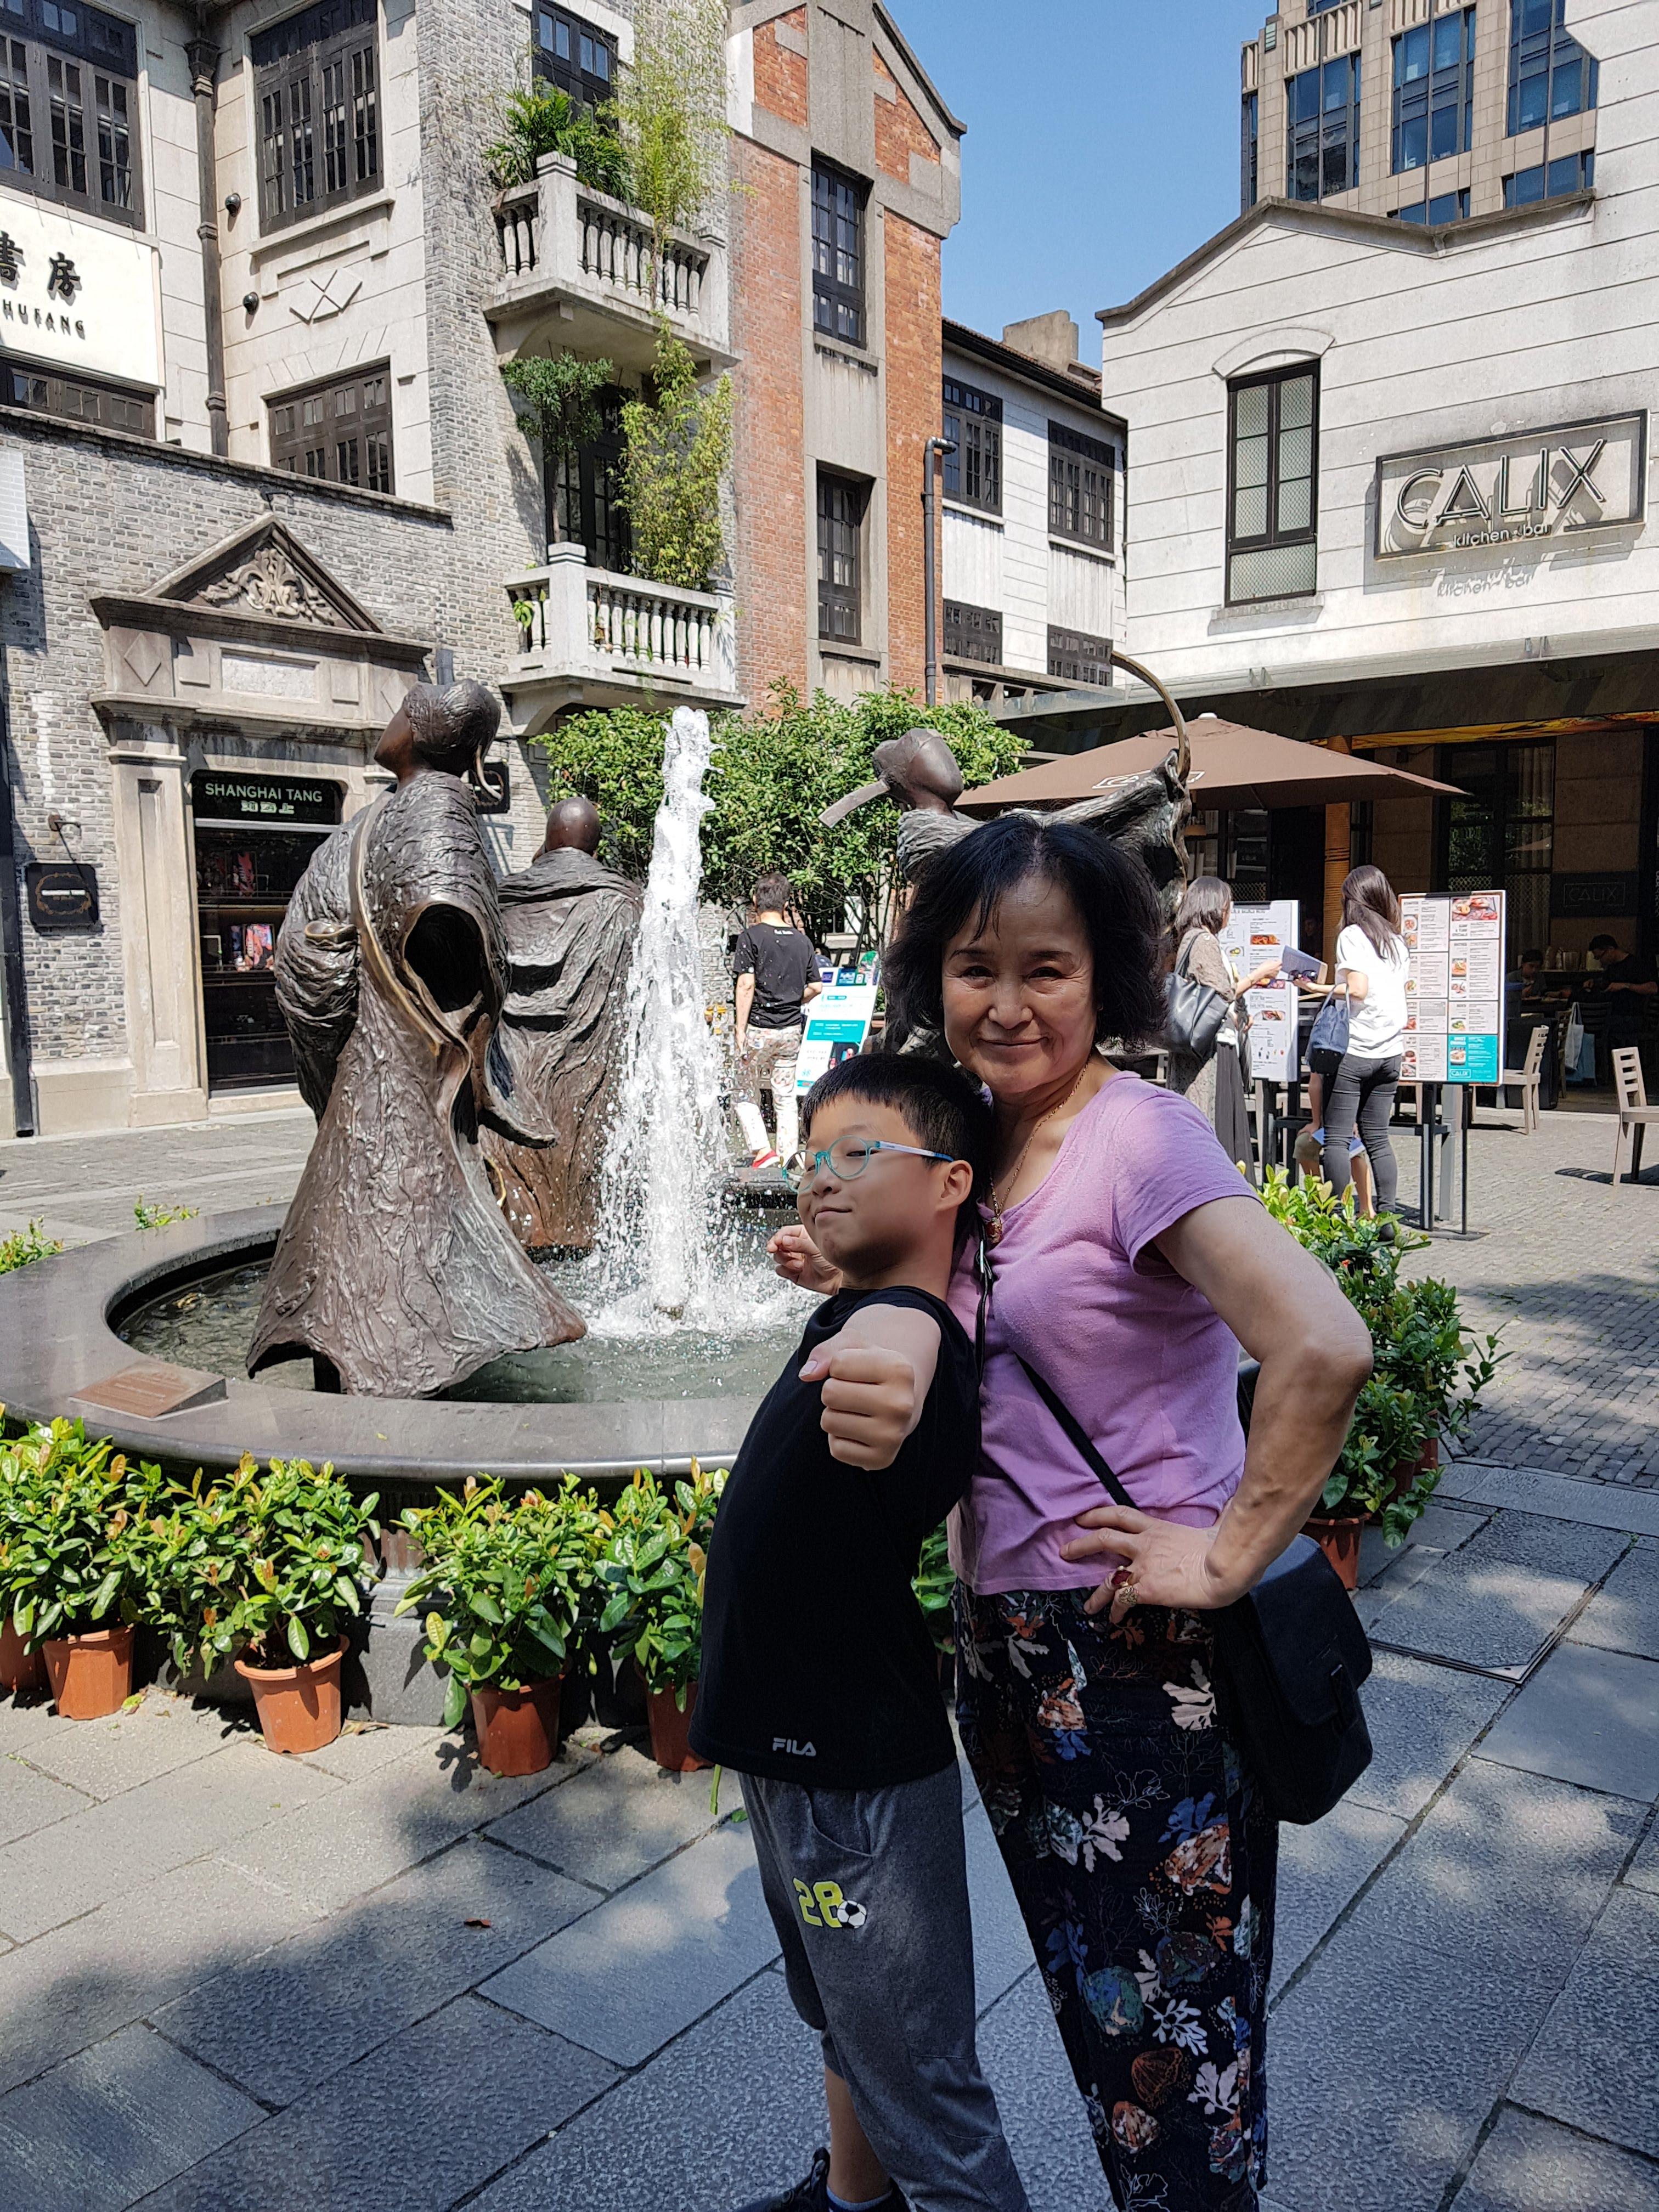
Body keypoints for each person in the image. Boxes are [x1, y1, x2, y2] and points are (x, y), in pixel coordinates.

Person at [771, 815, 1371, 2211]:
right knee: (1103, 2012)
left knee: (1168, 2058)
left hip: (1139, 1670)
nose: (1008, 1003)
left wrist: (1223, 1556)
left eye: (1047, 968)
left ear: (1106, 977)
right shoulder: (984, 1142)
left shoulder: (1136, 1138)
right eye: (976, 967)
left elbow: (1322, 1344)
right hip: (1011, 1658)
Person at [692, 1052, 1032, 2212]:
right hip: (796, 1752)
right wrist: (835, 1275)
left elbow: (906, 1335)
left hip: (848, 1771)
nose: (819, 1176)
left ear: (949, 1183)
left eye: (857, 1153)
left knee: (920, 2083)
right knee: (846, 2011)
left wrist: (877, 1345)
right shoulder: (873, 1297)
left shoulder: (905, 1327)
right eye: (810, 1157)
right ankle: (853, 2200)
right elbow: (890, 1298)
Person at [250, 681, 584, 1396]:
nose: (392, 720)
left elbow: (450, 917)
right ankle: (374, 1367)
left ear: (427, 733)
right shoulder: (390, 812)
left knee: (391, 1227)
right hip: (380, 1063)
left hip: (399, 1066)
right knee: (373, 1228)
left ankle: (398, 1379)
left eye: (405, 710)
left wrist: (441, 1027)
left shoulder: (433, 806)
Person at [479, 795, 642, 1254]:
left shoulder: (504, 898)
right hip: (586, 1077)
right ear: (596, 848)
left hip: (513, 1079)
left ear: (547, 841)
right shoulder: (623, 902)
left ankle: (525, 1226)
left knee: (519, 1201)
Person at [1166, 874, 1281, 1175]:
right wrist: (1258, 975)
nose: (1230, 911)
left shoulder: (1191, 939)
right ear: (1215, 907)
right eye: (1228, 905)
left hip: (1208, 1045)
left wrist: (1236, 1015)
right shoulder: (1203, 941)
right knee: (1217, 1127)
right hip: (1212, 1051)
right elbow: (1223, 991)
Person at [1322, 865, 1409, 1211]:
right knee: (1378, 1139)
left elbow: (1357, 989)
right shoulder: (1397, 941)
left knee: (1337, 1140)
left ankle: (1336, 1219)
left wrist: (1315, 987)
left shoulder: (1352, 936)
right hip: (1390, 1053)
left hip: (1356, 1050)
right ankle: (1387, 1219)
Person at [732, 873, 822, 1168]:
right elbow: (816, 987)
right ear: (786, 904)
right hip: (790, 1031)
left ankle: (762, 1149)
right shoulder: (802, 941)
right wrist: (793, 1000)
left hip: (759, 1028)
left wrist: (740, 1030)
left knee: (742, 1087)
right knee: (785, 1095)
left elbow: (746, 985)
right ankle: (787, 1158)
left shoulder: (751, 938)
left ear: (755, 901)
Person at [1588, 931, 1657, 1058]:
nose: (1601, 962)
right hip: (1615, 1014)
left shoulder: (1636, 965)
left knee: (1595, 1025)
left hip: (1633, 1016)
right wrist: (1595, 983)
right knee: (1590, 1023)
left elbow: (1653, 988)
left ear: (1610, 950)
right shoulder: (1612, 968)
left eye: (1600, 957)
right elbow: (1607, 984)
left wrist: (1626, 986)